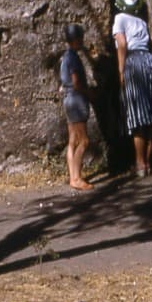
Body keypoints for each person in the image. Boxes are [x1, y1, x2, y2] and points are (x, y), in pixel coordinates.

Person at [112, 0, 152, 177]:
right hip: (150, 62)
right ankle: (148, 162)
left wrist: (121, 70)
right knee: (151, 115)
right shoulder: (141, 22)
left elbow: (122, 44)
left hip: (133, 62)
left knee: (137, 115)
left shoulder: (119, 18)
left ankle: (140, 163)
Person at [59, 23, 93, 190]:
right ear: (77, 39)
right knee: (84, 140)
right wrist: (90, 94)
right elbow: (76, 82)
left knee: (72, 140)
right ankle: (77, 178)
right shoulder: (73, 57)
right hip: (76, 100)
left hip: (68, 99)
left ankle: (72, 176)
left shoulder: (65, 57)